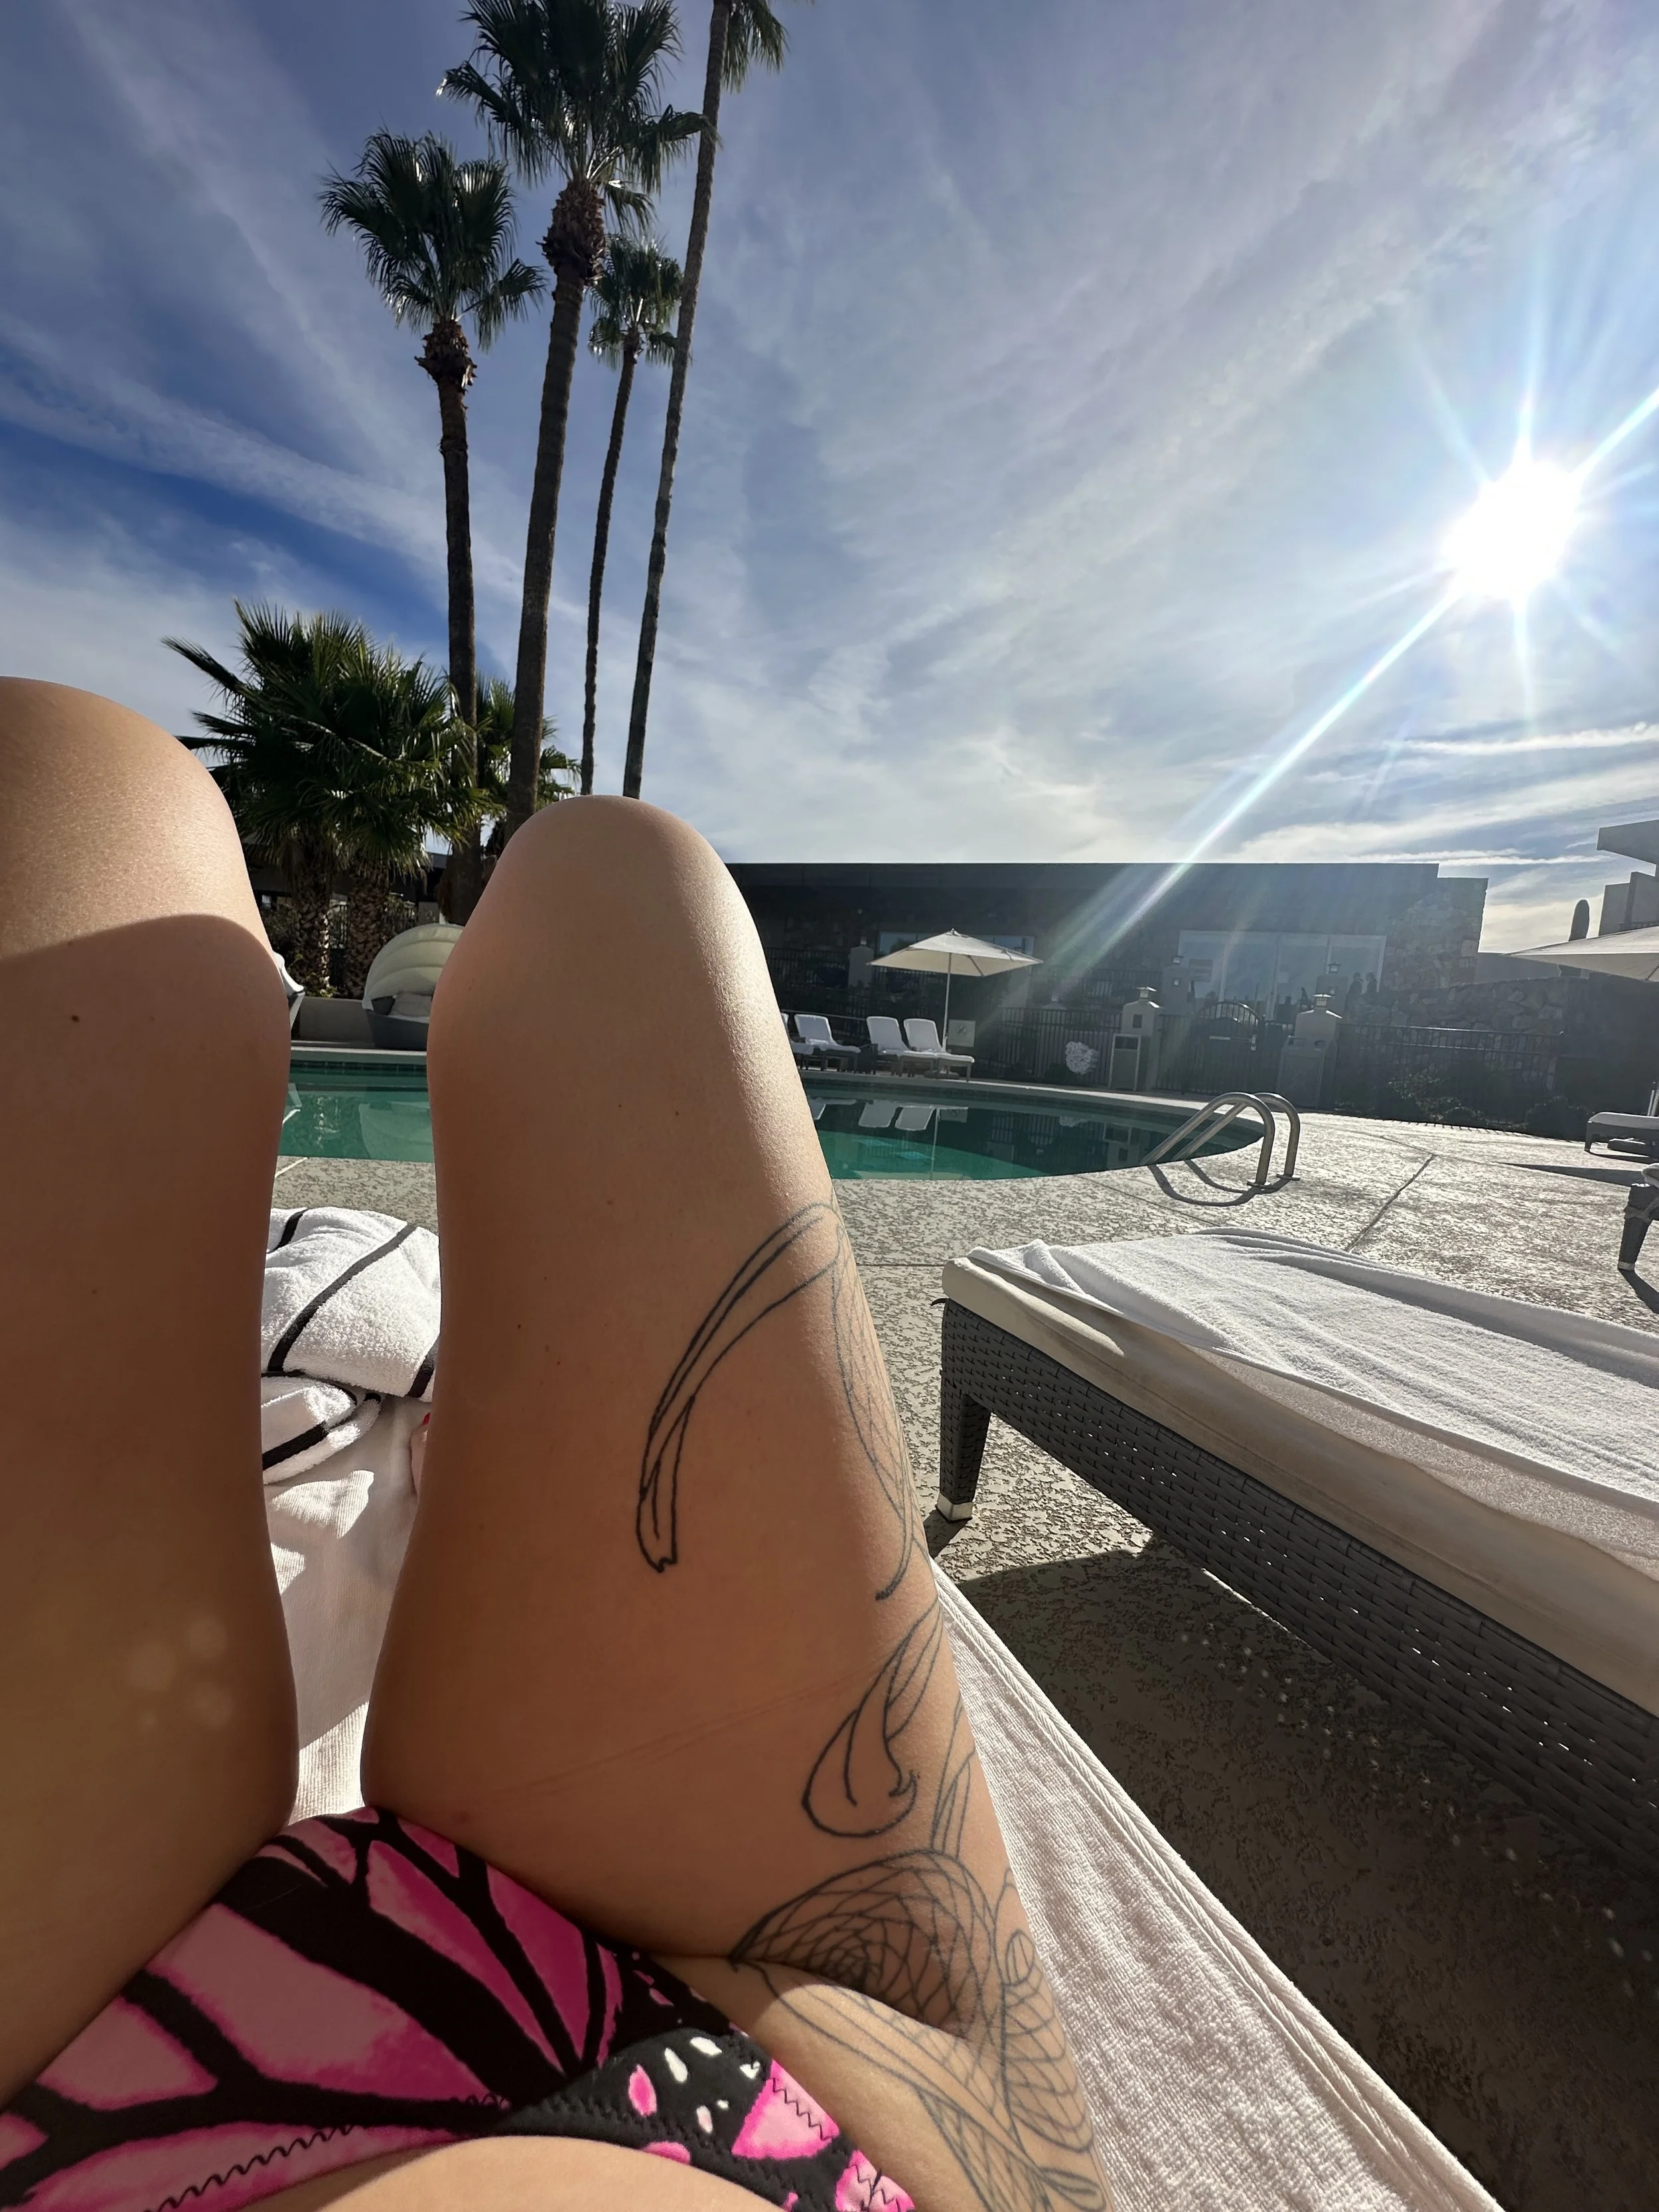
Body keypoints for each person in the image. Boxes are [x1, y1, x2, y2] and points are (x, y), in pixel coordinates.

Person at [0, 680, 1108, 2212]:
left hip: (61, 2102)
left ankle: (458, 1447)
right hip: (782, 2063)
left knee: (65, 784)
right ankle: (474, 1456)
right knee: (620, 877)